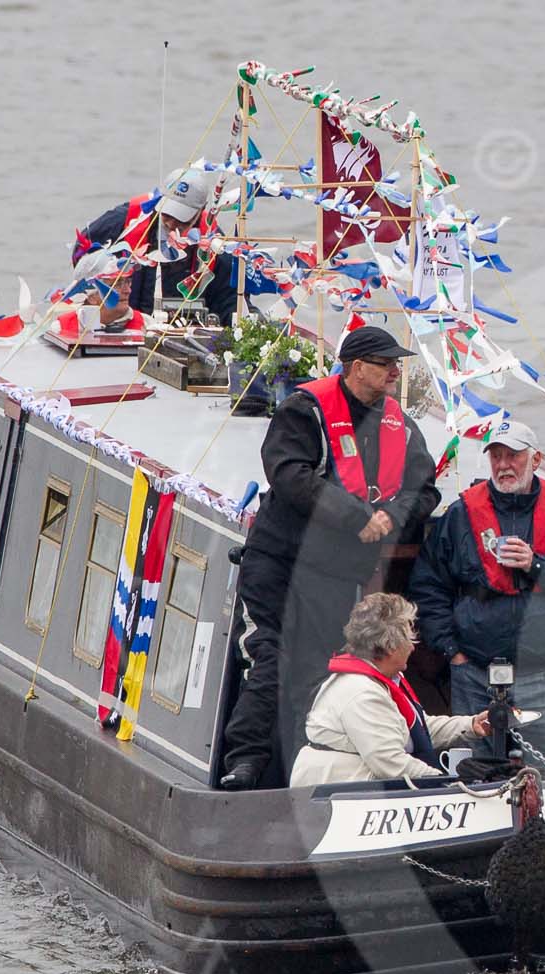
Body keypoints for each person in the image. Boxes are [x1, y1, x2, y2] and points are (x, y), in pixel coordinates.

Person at [217, 326, 442, 790]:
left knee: (321, 670)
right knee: (270, 658)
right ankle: (245, 764)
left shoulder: (400, 424)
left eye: (397, 364)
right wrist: (355, 516)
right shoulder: (304, 411)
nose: (396, 373)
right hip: (279, 561)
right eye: (386, 364)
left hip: (337, 573)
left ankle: (298, 770)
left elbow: (424, 489)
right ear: (357, 368)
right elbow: (289, 474)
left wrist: (389, 518)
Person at [409, 417, 545, 754]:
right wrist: (451, 651)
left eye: (513, 456)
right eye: (496, 456)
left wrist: (538, 564)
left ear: (535, 460)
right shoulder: (461, 514)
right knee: (474, 771)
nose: (504, 465)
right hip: (474, 674)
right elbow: (427, 586)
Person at [290, 594, 489, 785]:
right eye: (409, 639)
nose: (412, 647)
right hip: (337, 796)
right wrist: (447, 783)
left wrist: (471, 724)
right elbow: (390, 762)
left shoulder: (381, 680)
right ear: (390, 646)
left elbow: (416, 729)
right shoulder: (362, 692)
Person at [72, 165, 240, 325]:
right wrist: (99, 293)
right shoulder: (126, 219)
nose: (171, 223)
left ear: (201, 210)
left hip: (182, 326)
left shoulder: (212, 242)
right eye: (167, 214)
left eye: (182, 219)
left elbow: (229, 296)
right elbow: (83, 252)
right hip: (125, 321)